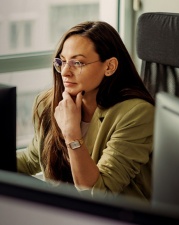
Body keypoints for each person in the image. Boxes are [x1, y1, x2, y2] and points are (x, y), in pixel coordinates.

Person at [16, 20, 155, 201]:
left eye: (78, 63)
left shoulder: (136, 114)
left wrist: (72, 134)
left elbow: (99, 193)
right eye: (62, 61)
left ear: (109, 66)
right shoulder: (51, 103)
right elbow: (31, 159)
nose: (65, 72)